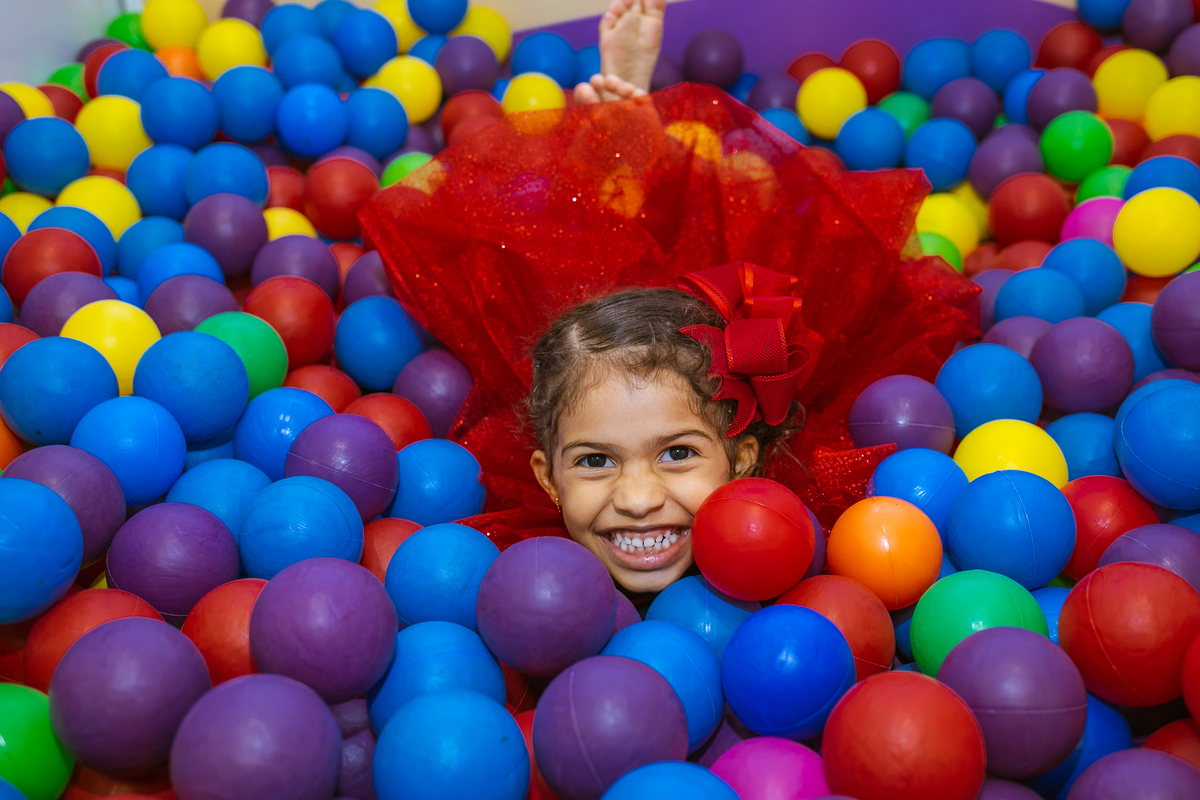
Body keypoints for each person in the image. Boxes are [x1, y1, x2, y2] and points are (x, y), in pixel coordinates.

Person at [361, 1, 979, 595]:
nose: (636, 498)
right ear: (546, 477)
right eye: (595, 462)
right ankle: (622, 127)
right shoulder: (511, 568)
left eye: (678, 453)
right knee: (572, 248)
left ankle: (627, 123)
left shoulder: (822, 529)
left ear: (740, 459)